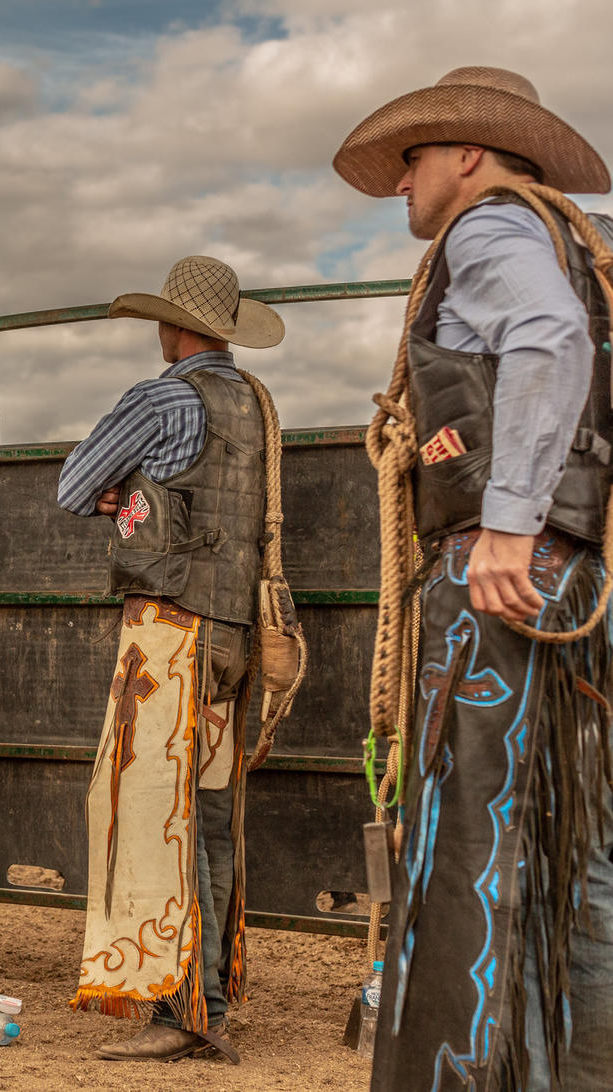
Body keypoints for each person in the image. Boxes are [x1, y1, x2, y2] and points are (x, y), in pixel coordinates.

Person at [334, 67, 613, 1091]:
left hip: (502, 578)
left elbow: (548, 338)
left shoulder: (490, 228)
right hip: (580, 581)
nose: (403, 182)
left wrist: (506, 524)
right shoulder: (587, 244)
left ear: (465, 152)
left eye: (412, 159)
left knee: (466, 846)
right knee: (574, 848)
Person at [57, 256, 286, 1064]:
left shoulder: (162, 396)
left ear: (172, 325)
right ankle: (213, 996)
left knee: (156, 815)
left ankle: (181, 1004)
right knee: (212, 817)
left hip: (168, 631)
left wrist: (129, 495)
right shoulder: (256, 403)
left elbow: (76, 485)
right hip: (233, 633)